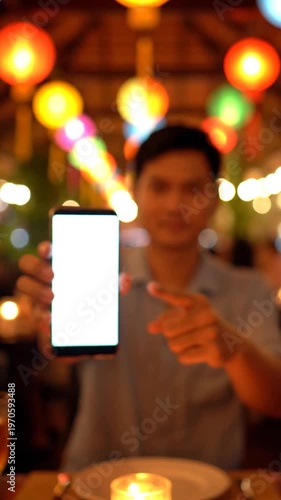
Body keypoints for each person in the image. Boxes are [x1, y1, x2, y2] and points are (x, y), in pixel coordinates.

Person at [16, 125, 281, 472]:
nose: (175, 204)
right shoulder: (98, 276)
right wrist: (49, 328)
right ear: (135, 192)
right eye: (159, 186)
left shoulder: (248, 290)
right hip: (96, 480)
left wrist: (234, 350)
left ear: (213, 197)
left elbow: (275, 401)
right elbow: (57, 362)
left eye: (192, 189)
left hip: (210, 484)